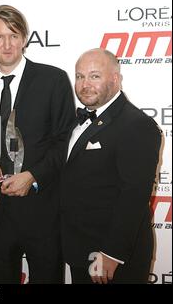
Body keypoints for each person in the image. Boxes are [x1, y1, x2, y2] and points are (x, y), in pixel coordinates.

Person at [0, 5, 76, 283]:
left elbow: (65, 139)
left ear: (25, 38)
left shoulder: (53, 80)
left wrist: (33, 176)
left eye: (14, 35)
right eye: (0, 36)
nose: (7, 44)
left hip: (42, 209)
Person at [60, 48, 161, 284]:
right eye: (79, 76)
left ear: (115, 78)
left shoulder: (136, 125)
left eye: (94, 76)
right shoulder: (75, 121)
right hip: (79, 248)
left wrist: (111, 253)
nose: (85, 84)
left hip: (111, 258)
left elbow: (134, 195)